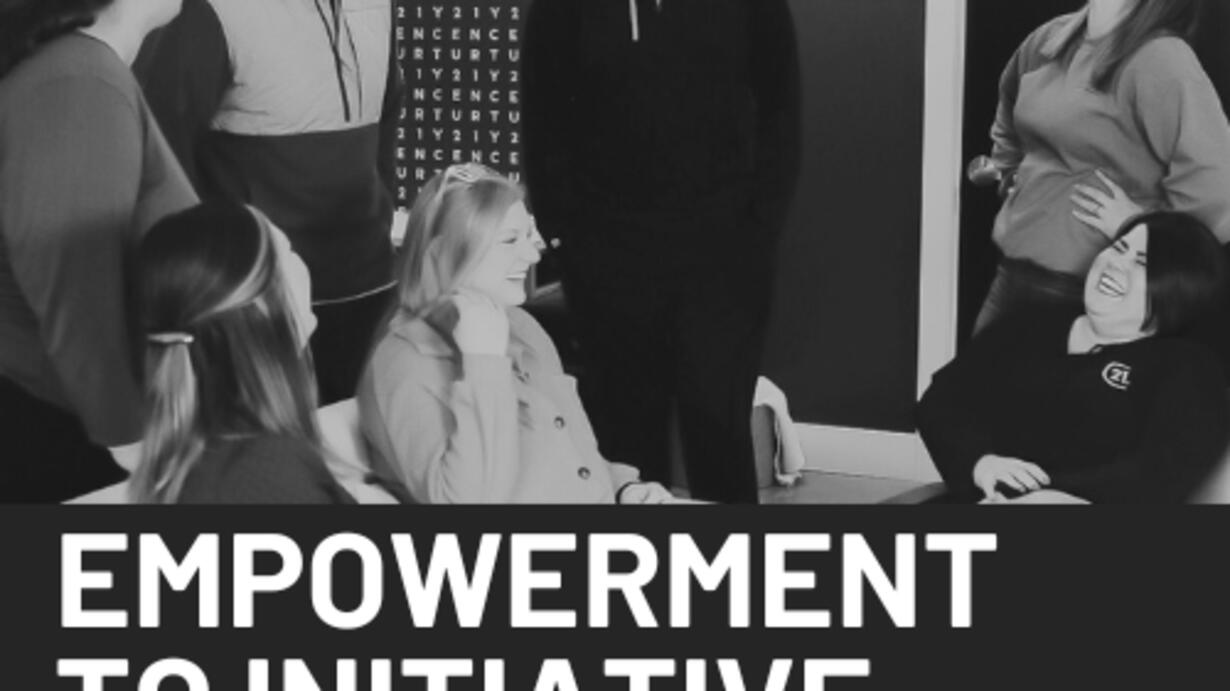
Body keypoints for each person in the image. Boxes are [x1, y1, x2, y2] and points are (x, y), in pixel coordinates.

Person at [521, 0, 800, 503]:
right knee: (627, 443)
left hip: (723, 256)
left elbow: (781, 105)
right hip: (609, 256)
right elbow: (543, 115)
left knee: (718, 429)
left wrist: (759, 229)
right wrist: (568, 239)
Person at [134, 0, 403, 404]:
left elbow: (388, 114)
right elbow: (164, 153)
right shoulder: (211, 10)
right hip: (260, 306)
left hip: (369, 284)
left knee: (361, 437)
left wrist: (384, 206)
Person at [358, 164, 675, 504]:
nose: (532, 254)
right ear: (442, 254)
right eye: (510, 240)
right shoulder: (402, 363)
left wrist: (623, 487)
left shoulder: (522, 327)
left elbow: (571, 454)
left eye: (528, 236)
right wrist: (483, 363)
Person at [0, 0, 196, 502]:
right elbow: (76, 292)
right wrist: (137, 448)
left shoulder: (82, 71)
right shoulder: (77, 81)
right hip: (70, 438)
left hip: (71, 423)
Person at [918, 211, 1229, 504]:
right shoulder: (1029, 323)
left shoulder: (1186, 367)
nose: (1115, 263)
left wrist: (1051, 498)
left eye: (1141, 262)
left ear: (1178, 288)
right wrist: (979, 464)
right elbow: (942, 401)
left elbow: (1165, 470)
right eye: (1118, 248)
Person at [970, 0, 1230, 334]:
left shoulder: (1161, 59)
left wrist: (1139, 227)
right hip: (1012, 274)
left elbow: (1218, 189)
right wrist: (1011, 179)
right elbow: (1008, 118)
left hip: (1082, 292)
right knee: (976, 370)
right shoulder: (1048, 40)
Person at [130, 203, 354, 504]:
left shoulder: (220, 455)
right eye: (288, 252)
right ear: (261, 310)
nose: (301, 263)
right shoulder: (267, 476)